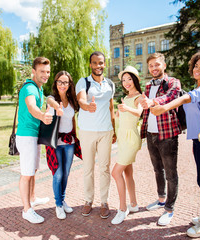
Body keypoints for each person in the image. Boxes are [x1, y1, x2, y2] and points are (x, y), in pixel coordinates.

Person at [150, 51, 200, 238]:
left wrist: (164, 108)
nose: (198, 69)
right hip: (199, 139)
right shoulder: (198, 87)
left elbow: (184, 99)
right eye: (196, 66)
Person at [139, 52, 182, 226]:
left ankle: (169, 209)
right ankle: (161, 199)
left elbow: (170, 97)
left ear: (164, 65)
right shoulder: (148, 85)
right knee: (158, 170)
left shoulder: (173, 82)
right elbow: (146, 109)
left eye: (157, 65)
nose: (154, 68)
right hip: (151, 133)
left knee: (171, 173)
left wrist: (153, 101)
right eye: (151, 66)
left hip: (167, 135)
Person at [75, 51, 116, 219]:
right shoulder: (83, 82)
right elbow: (81, 101)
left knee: (105, 168)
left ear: (104, 64)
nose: (98, 66)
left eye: (101, 63)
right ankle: (88, 201)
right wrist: (87, 107)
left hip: (106, 131)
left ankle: (104, 202)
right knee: (88, 168)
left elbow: (111, 107)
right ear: (90, 65)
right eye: (95, 63)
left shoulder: (110, 84)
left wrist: (114, 129)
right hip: (87, 131)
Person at [16, 57, 53, 224]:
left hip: (33, 135)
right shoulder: (30, 88)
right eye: (42, 72)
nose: (45, 75)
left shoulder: (39, 88)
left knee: (33, 170)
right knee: (26, 174)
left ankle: (32, 198)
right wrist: (42, 116)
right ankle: (27, 210)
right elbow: (31, 107)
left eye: (47, 72)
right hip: (27, 136)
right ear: (33, 72)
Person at [111, 66, 143, 225]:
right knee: (128, 173)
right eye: (123, 80)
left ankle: (123, 209)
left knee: (115, 173)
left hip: (131, 139)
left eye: (129, 79)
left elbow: (139, 112)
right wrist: (118, 114)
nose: (126, 83)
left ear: (135, 79)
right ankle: (134, 204)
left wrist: (127, 108)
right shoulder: (126, 97)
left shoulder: (139, 97)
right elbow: (122, 119)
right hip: (123, 139)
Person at [46, 71, 80, 220]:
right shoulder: (52, 99)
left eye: (65, 82)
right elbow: (49, 101)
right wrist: (57, 108)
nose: (62, 85)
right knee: (58, 173)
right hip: (55, 143)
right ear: (56, 83)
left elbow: (73, 120)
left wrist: (75, 136)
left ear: (69, 84)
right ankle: (58, 205)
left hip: (69, 142)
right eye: (60, 81)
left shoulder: (72, 101)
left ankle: (63, 199)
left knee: (66, 173)